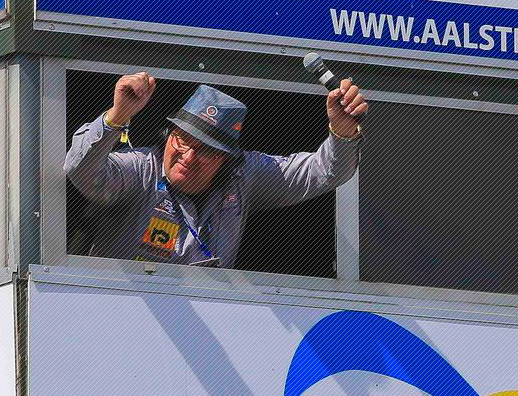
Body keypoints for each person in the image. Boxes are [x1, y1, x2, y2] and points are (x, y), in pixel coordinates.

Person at [64, 71, 368, 266]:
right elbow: (80, 170)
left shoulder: (243, 174)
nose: (188, 156)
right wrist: (117, 116)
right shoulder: (141, 168)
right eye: (182, 139)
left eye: (206, 150)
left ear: (226, 159)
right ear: (167, 135)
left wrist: (342, 132)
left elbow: (324, 173)